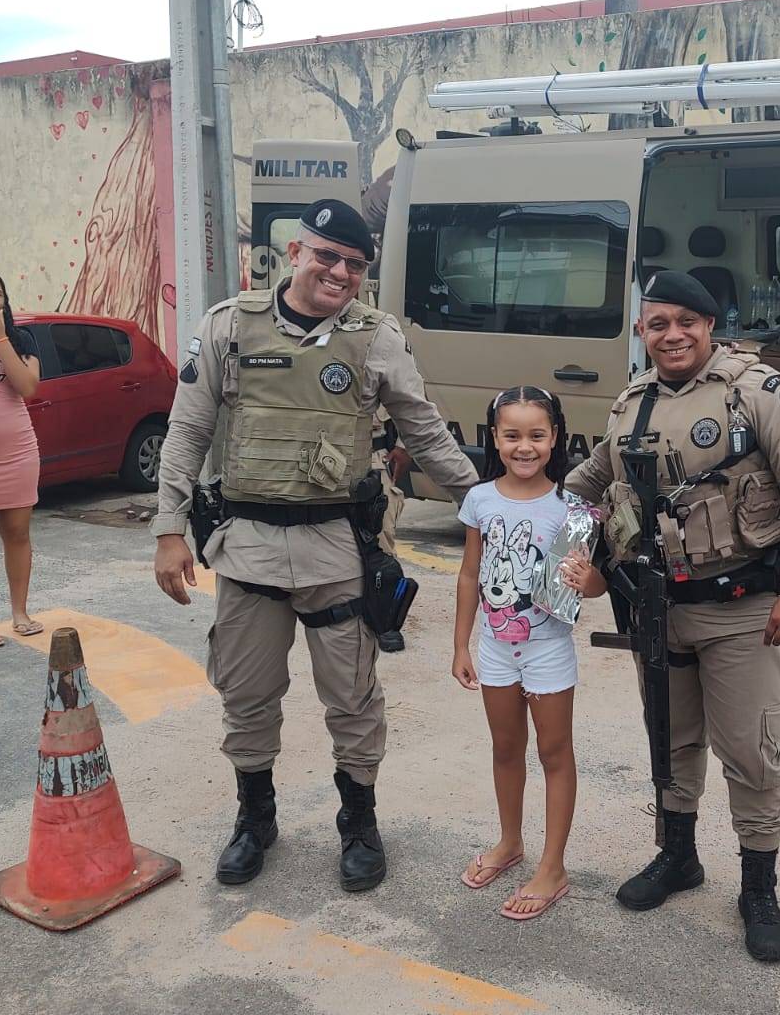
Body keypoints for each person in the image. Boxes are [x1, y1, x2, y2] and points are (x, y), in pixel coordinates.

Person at [153, 199, 476, 891]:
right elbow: (186, 432)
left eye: (354, 264)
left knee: (354, 699)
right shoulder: (228, 327)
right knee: (246, 694)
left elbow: (423, 430)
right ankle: (255, 817)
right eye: (327, 255)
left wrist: (489, 502)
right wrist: (168, 529)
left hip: (337, 550)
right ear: (295, 252)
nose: (339, 272)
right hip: (248, 550)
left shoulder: (375, 335)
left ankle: (358, 823)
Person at [566, 270, 780, 964]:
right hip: (656, 606)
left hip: (740, 606)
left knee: (748, 750)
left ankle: (759, 887)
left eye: (686, 320)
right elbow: (592, 482)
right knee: (671, 739)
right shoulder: (632, 402)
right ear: (641, 332)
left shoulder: (756, 390)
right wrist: (518, 502)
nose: (673, 334)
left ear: (710, 324)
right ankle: (678, 857)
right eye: (658, 323)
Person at [452, 386, 604, 921]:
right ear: (494, 438)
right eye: (512, 435)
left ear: (555, 437)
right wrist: (460, 644)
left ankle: (553, 866)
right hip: (494, 649)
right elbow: (471, 572)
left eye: (536, 435)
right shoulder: (480, 499)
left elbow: (593, 585)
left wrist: (590, 581)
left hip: (548, 651)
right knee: (505, 748)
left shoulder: (573, 509)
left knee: (555, 753)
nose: (524, 446)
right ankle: (509, 843)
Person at [0, 271, 43, 646]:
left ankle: (19, 612)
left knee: (17, 533)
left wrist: (0, 336)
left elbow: (27, 388)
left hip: (17, 454)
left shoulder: (20, 339)